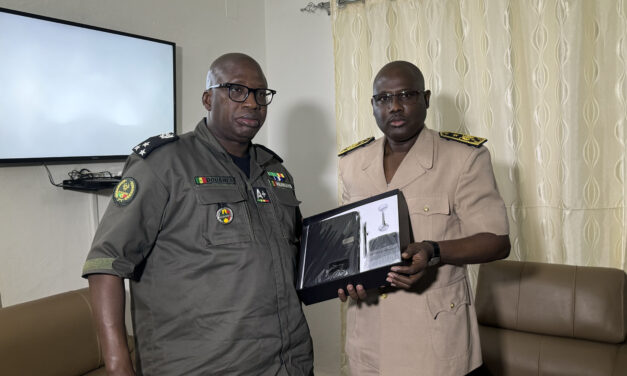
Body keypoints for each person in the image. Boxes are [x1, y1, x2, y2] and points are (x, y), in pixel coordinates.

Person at [82, 53, 313, 376]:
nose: (252, 103)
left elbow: (298, 258)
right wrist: (119, 365)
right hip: (204, 365)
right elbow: (106, 262)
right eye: (236, 90)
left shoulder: (275, 171)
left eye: (261, 94)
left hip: (288, 362)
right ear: (208, 98)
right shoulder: (164, 164)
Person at [337, 61, 510, 375]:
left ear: (426, 98)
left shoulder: (463, 158)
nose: (395, 107)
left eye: (406, 95)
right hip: (369, 334)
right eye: (384, 99)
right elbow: (351, 248)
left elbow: (497, 242)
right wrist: (343, 278)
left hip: (433, 336)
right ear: (373, 106)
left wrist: (434, 250)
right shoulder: (352, 163)